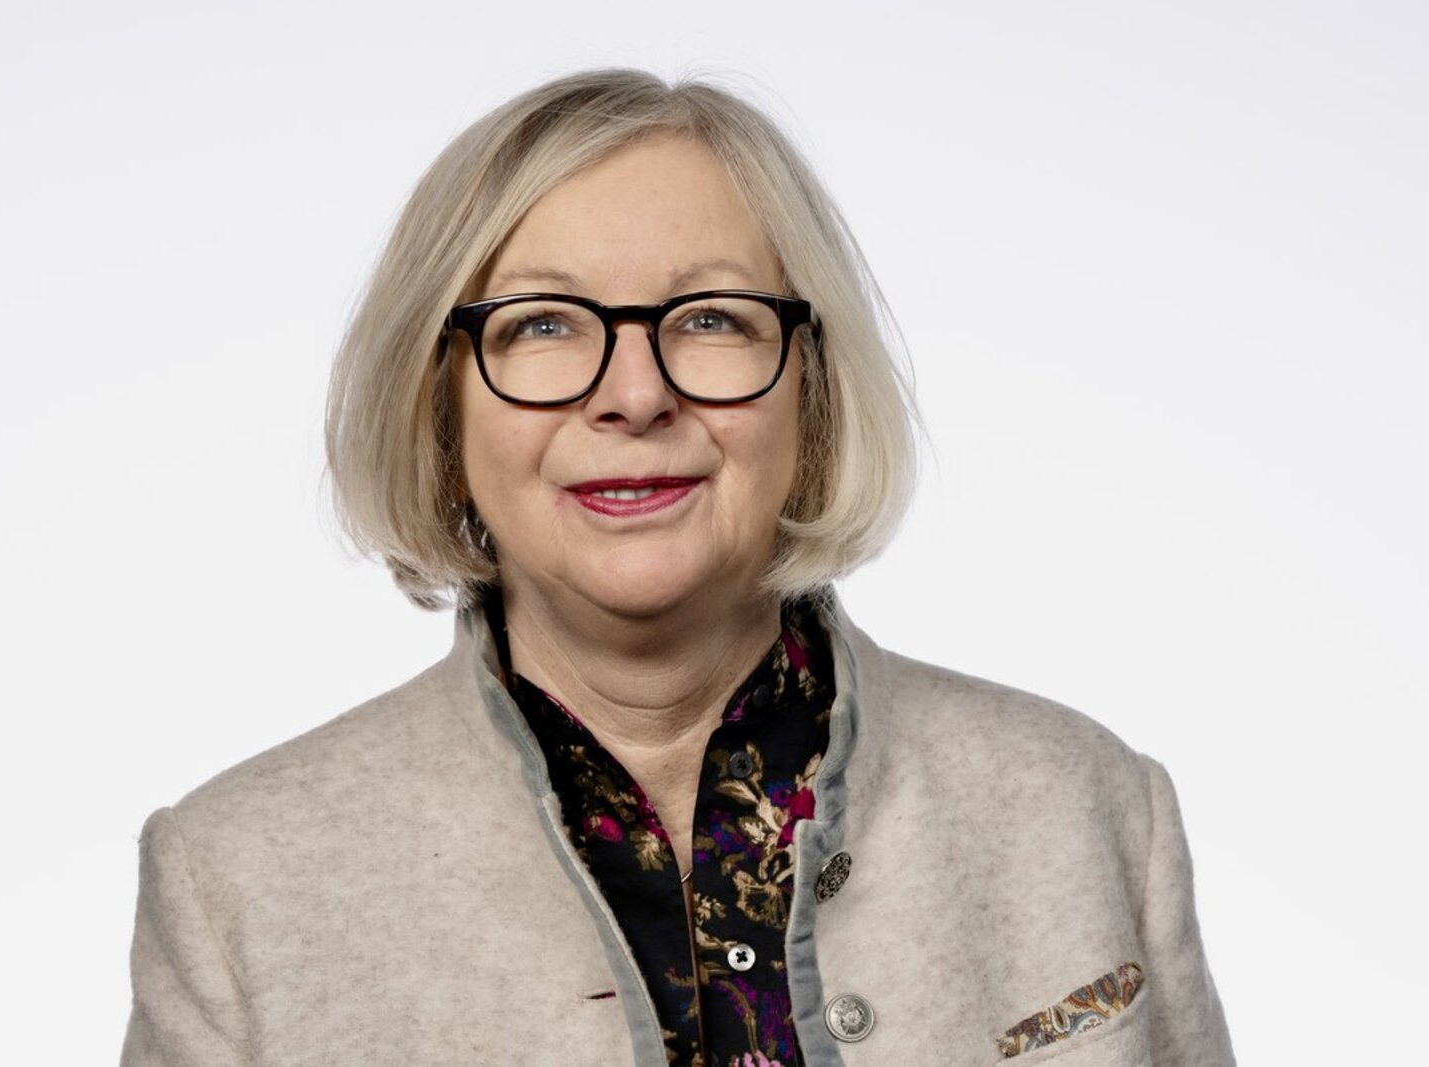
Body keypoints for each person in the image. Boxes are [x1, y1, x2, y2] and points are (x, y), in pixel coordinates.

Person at [119, 69, 1234, 1067]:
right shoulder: (238, 882)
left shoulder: (1086, 804)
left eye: (709, 317)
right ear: (439, 408)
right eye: (541, 324)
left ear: (811, 390)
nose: (635, 394)